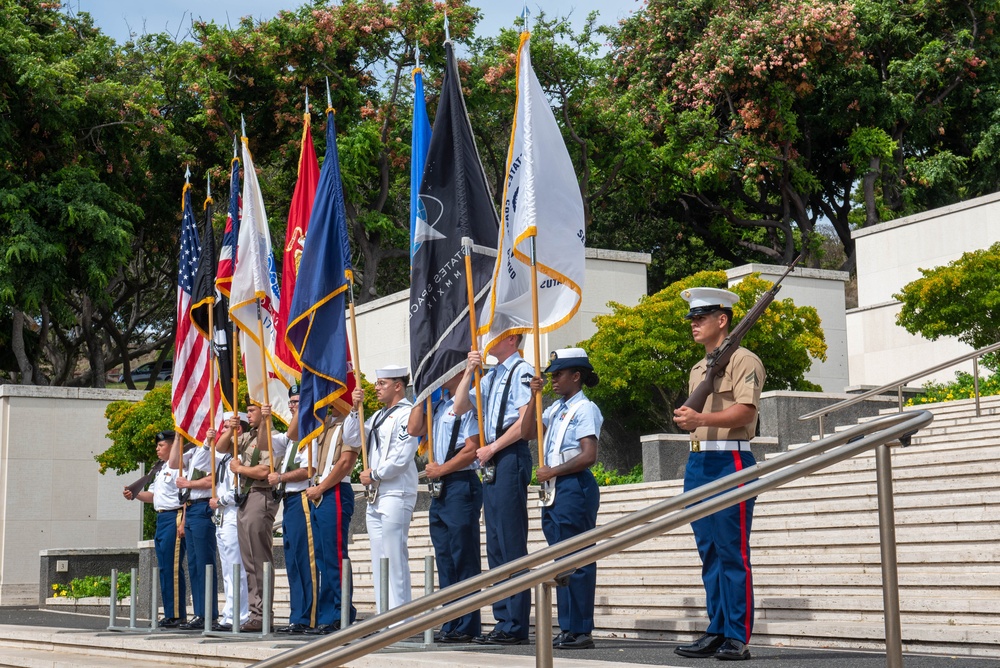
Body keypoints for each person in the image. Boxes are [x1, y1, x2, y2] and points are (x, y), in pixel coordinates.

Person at [672, 287, 765, 662]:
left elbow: (746, 412)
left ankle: (737, 635)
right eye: (692, 319)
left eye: (701, 318)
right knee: (709, 552)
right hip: (699, 464)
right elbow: (688, 419)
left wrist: (701, 419)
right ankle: (716, 629)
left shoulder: (745, 361)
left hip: (732, 462)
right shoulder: (699, 369)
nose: (694, 325)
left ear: (722, 320)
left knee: (731, 551)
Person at [454, 334, 535, 646]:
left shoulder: (522, 370)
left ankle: (515, 624)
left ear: (512, 340)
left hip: (509, 452)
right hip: (491, 456)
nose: (489, 339)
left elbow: (525, 418)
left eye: (497, 335)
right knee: (497, 545)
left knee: (511, 541)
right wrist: (468, 369)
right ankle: (503, 619)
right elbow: (461, 405)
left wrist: (494, 447)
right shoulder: (493, 375)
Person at [523, 347, 603, 650]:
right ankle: (569, 626)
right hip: (556, 488)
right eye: (551, 374)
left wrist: (552, 470)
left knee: (578, 559)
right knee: (561, 561)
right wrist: (533, 397)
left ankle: (581, 629)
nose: (553, 379)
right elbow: (528, 431)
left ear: (576, 376)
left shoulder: (585, 408)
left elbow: (588, 455)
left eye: (558, 374)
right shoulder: (555, 408)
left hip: (573, 486)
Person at [407, 373, 483, 643]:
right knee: (445, 558)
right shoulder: (437, 406)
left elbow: (472, 448)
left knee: (464, 555)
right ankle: (451, 620)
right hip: (441, 488)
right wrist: (422, 394)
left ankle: (468, 623)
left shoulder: (469, 404)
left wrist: (442, 469)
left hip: (461, 482)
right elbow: (414, 429)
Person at [343, 364, 419, 613]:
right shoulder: (377, 416)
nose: (375, 388)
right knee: (379, 557)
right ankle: (383, 613)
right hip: (376, 494)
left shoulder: (408, 414)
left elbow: (402, 456)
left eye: (381, 384)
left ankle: (401, 617)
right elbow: (352, 438)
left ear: (398, 386)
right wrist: (354, 410)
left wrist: (374, 474)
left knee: (395, 556)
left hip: (396, 491)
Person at [216, 398, 288, 632]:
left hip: (260, 495)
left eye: (251, 410)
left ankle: (262, 614)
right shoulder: (247, 437)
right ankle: (254, 612)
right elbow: (221, 447)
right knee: (249, 561)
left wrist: (240, 470)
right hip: (246, 499)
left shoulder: (270, 437)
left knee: (259, 559)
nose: (248, 413)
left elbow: (265, 470)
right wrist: (232, 427)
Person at [265, 385, 319, 634]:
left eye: (298, 401)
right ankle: (297, 615)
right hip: (289, 501)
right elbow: (264, 442)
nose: (292, 406)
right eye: (291, 402)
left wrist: (282, 478)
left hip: (302, 499)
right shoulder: (290, 439)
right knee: (294, 561)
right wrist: (266, 417)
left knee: (306, 560)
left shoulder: (311, 433)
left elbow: (308, 470)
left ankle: (309, 615)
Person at [122, 430, 186, 627]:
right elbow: (154, 497)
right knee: (165, 568)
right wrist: (135, 495)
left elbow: (185, 496)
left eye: (161, 445)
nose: (157, 449)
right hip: (162, 518)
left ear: (172, 446)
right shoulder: (160, 470)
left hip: (174, 516)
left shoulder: (179, 467)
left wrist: (183, 521)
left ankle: (177, 614)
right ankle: (169, 612)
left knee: (173, 567)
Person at [304, 410, 359, 635]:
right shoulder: (323, 422)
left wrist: (321, 487)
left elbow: (346, 462)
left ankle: (341, 612)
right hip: (319, 492)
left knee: (335, 555)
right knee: (323, 557)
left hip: (333, 490)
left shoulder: (351, 421)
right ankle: (327, 615)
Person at [207, 413, 250, 632]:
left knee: (236, 567)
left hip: (233, 511)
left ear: (237, 429)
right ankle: (229, 612)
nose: (222, 432)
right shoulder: (222, 456)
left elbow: (240, 489)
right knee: (226, 569)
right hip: (221, 515)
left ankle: (240, 614)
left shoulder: (241, 454)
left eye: (226, 428)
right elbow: (204, 458)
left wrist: (220, 500)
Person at [174, 427, 219, 630]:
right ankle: (199, 612)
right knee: (193, 564)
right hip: (191, 509)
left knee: (204, 563)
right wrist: (177, 434)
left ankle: (208, 613)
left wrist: (189, 483)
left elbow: (212, 480)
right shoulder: (193, 452)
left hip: (203, 506)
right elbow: (174, 462)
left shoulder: (212, 451)